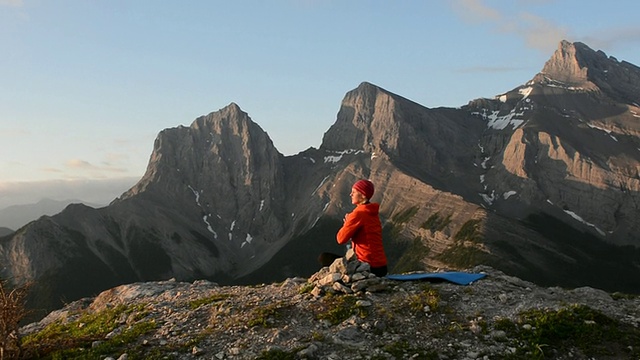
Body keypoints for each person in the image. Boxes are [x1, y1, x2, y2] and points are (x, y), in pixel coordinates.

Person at [319, 179, 388, 277]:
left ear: (363, 195)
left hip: (367, 267)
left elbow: (340, 239)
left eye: (354, 192)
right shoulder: (372, 213)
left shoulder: (358, 214)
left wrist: (346, 223)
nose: (350, 194)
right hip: (381, 268)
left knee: (324, 257)